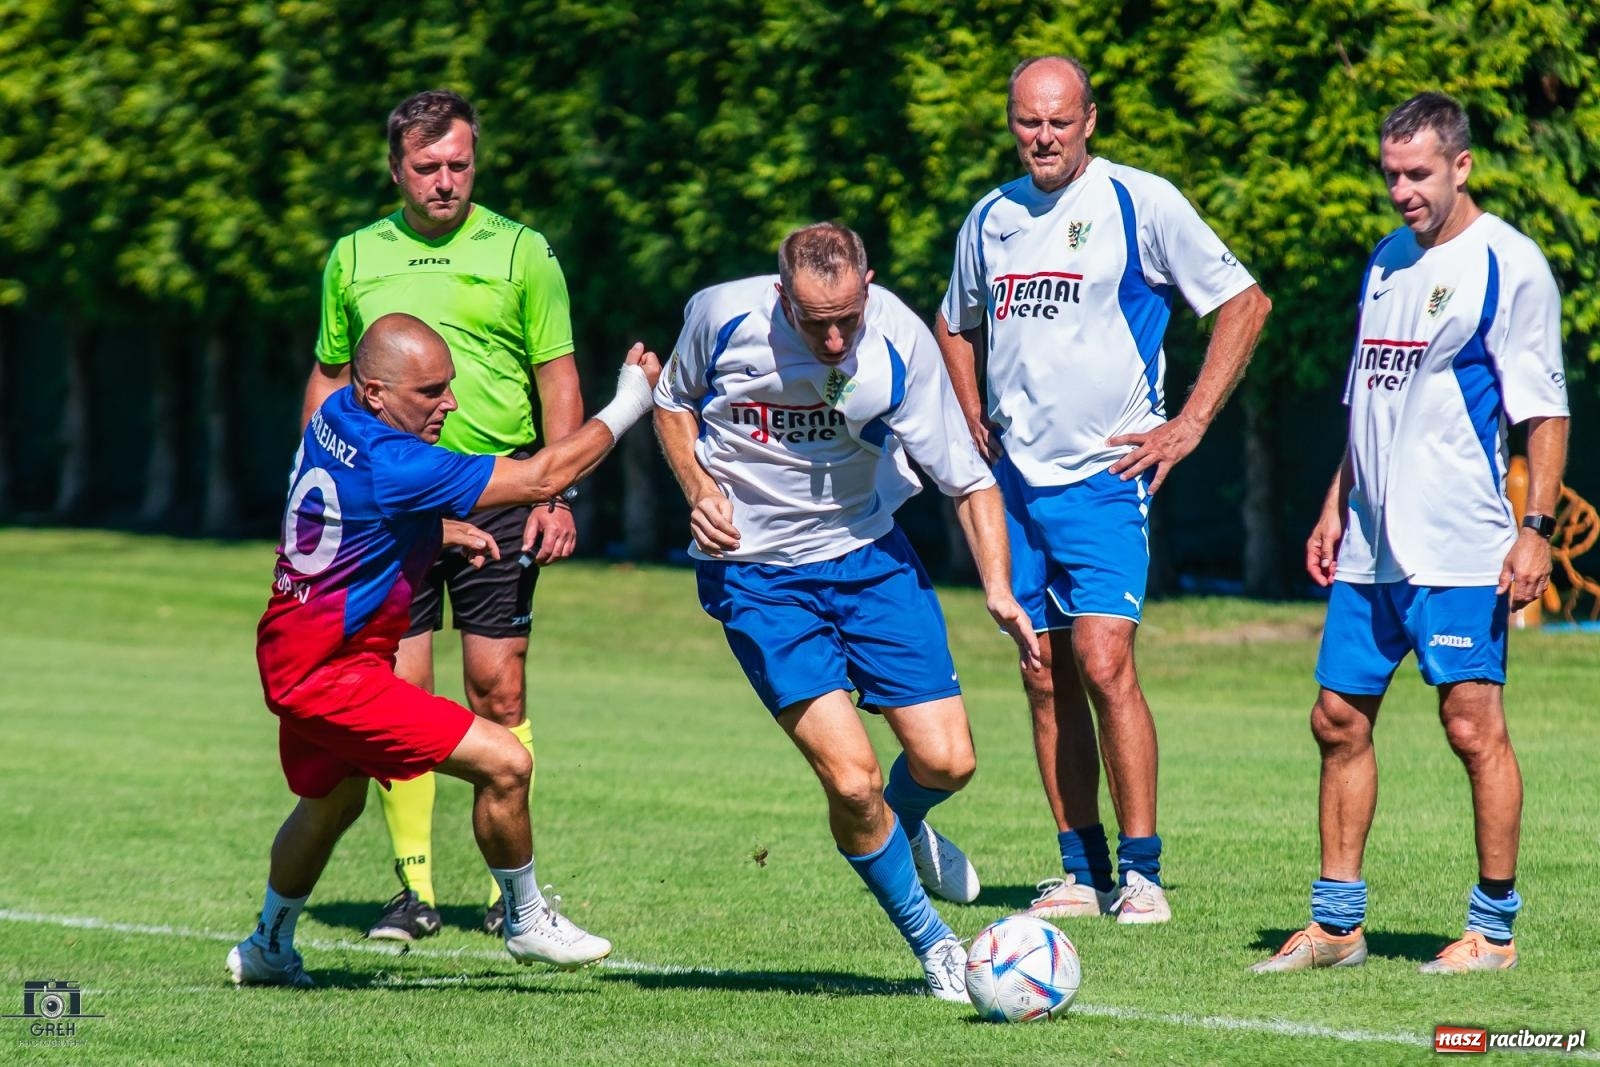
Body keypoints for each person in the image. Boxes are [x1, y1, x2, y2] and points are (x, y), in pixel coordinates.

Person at [654, 222, 1040, 1003]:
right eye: (813, 321)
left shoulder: (899, 339)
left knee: (948, 761)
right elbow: (671, 403)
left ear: (868, 287)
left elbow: (969, 479)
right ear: (781, 295)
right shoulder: (720, 315)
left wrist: (999, 588)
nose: (833, 340)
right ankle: (935, 945)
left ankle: (905, 824)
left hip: (869, 558)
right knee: (854, 782)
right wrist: (700, 489)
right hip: (758, 577)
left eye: (846, 319)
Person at [936, 55, 1271, 924]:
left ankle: (1143, 873)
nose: (1043, 137)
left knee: (1103, 659)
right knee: (1042, 673)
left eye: (1059, 120)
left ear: (1090, 119)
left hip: (1107, 477)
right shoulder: (990, 217)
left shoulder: (1139, 201)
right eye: (1028, 121)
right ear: (1011, 124)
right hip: (1016, 487)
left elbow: (1244, 303)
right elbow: (953, 321)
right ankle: (1080, 871)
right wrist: (969, 413)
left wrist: (1189, 422)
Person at [230, 313, 660, 987]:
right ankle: (526, 919)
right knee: (507, 764)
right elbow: (541, 476)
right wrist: (633, 398)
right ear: (376, 392)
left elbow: (353, 512)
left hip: (293, 652)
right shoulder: (396, 461)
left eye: (449, 385)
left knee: (331, 805)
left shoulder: (336, 415)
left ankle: (267, 946)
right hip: (335, 673)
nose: (449, 404)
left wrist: (435, 529)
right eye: (431, 391)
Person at [1253, 92, 1569, 975]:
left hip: (1461, 544)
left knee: (1471, 725)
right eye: (1391, 174)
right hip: (1371, 544)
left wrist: (1536, 528)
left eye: (1418, 173)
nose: (1402, 191)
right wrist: (1335, 501)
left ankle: (1493, 932)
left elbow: (1544, 410)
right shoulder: (1387, 260)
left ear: (1462, 166)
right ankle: (1337, 927)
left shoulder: (1509, 263)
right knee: (1335, 718)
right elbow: (1370, 399)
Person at [301, 90, 586, 941]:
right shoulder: (354, 256)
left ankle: (509, 891)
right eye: (427, 166)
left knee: (499, 685)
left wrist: (555, 493)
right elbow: (329, 378)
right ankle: (413, 888)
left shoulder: (523, 251)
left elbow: (558, 375)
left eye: (459, 164)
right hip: (389, 506)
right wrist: (318, 489)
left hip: (499, 493)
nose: (445, 180)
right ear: (396, 169)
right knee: (401, 690)